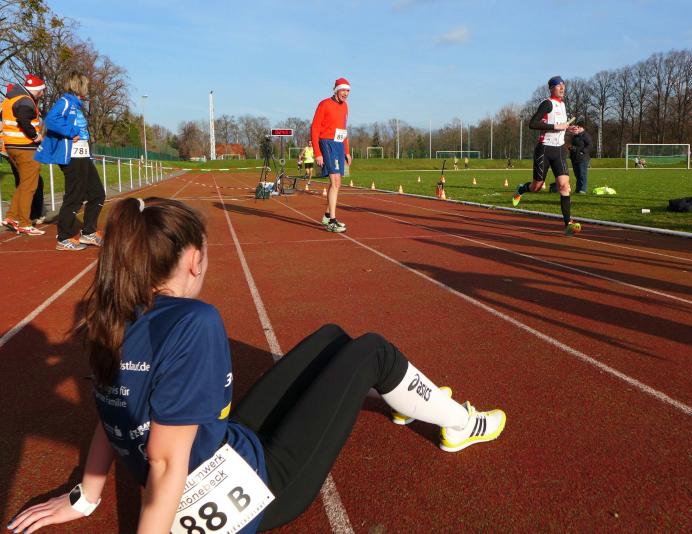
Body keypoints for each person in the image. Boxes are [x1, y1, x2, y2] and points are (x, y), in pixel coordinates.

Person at [7, 198, 506, 534]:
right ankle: (461, 425)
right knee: (373, 350)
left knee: (332, 337)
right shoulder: (194, 321)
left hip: (221, 451)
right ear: (194, 260)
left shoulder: (115, 313)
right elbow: (164, 462)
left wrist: (86, 497)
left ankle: (405, 398)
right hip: (253, 490)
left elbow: (111, 414)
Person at [35, 71, 105, 251]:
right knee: (75, 196)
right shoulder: (65, 102)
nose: (87, 89)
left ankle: (89, 232)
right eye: (85, 85)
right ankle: (64, 237)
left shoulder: (76, 105)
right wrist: (71, 132)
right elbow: (51, 120)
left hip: (83, 155)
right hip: (72, 156)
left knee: (97, 193)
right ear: (78, 86)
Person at [512, 76, 581, 236]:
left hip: (559, 150)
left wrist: (568, 129)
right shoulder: (547, 103)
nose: (562, 88)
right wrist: (557, 126)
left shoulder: (562, 105)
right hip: (544, 149)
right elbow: (533, 123)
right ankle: (522, 188)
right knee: (536, 187)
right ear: (551, 88)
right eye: (558, 85)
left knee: (564, 186)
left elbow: (561, 126)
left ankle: (568, 224)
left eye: (563, 85)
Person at [1, 74, 46, 236]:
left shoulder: (10, 99)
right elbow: (23, 118)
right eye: (42, 90)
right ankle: (25, 223)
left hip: (11, 146)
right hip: (25, 147)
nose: (42, 93)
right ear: (37, 89)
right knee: (30, 186)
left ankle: (11, 217)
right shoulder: (26, 100)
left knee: (24, 183)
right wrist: (35, 135)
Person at [312, 77, 352, 233]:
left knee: (338, 183)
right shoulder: (324, 104)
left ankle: (327, 215)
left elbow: (343, 129)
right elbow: (315, 128)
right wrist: (317, 153)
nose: (346, 93)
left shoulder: (345, 106)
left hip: (339, 145)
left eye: (348, 91)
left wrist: (346, 151)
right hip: (327, 143)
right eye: (343, 90)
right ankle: (332, 222)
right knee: (334, 181)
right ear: (336, 90)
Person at [568, 122, 593, 194]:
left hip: (583, 158)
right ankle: (578, 189)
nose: (576, 128)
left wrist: (583, 151)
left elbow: (590, 145)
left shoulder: (585, 135)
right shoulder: (575, 136)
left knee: (582, 174)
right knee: (577, 175)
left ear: (582, 128)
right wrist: (571, 148)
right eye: (576, 127)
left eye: (578, 127)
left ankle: (583, 189)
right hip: (574, 157)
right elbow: (575, 145)